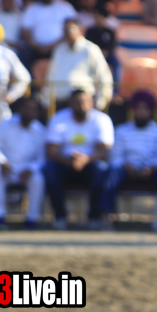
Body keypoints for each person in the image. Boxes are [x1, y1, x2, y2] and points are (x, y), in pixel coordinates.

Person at [102, 90, 157, 230]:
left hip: (152, 171)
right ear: (133, 109)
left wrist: (151, 168)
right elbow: (116, 157)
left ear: (151, 110)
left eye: (145, 108)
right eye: (138, 108)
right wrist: (127, 166)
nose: (141, 112)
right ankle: (108, 217)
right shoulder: (122, 130)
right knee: (111, 174)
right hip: (127, 170)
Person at [43, 85, 114, 230]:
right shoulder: (58, 119)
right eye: (78, 102)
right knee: (49, 169)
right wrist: (69, 160)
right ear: (70, 103)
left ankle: (94, 217)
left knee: (101, 169)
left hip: (91, 163)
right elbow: (51, 151)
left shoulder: (102, 119)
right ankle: (60, 217)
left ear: (92, 102)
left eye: (86, 101)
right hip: (65, 163)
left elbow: (104, 151)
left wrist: (85, 159)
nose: (82, 106)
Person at [0, 96, 46, 230]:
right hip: (7, 167)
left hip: (27, 169)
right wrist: (2, 162)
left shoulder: (40, 130)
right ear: (20, 109)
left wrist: (31, 168)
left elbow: (42, 158)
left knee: (38, 179)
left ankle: (32, 219)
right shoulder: (6, 125)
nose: (29, 112)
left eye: (33, 109)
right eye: (27, 108)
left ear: (37, 113)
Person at [45, 19, 113, 111]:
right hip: (60, 103)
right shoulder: (59, 50)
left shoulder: (90, 49)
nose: (67, 31)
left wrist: (101, 102)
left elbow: (104, 76)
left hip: (83, 105)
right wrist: (47, 100)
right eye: (64, 29)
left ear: (80, 29)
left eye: (70, 28)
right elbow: (51, 76)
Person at [20, 0, 76, 72]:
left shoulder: (65, 7)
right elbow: (25, 31)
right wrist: (36, 46)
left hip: (60, 46)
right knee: (25, 52)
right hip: (36, 49)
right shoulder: (31, 8)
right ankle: (30, 81)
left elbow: (73, 29)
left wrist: (54, 45)